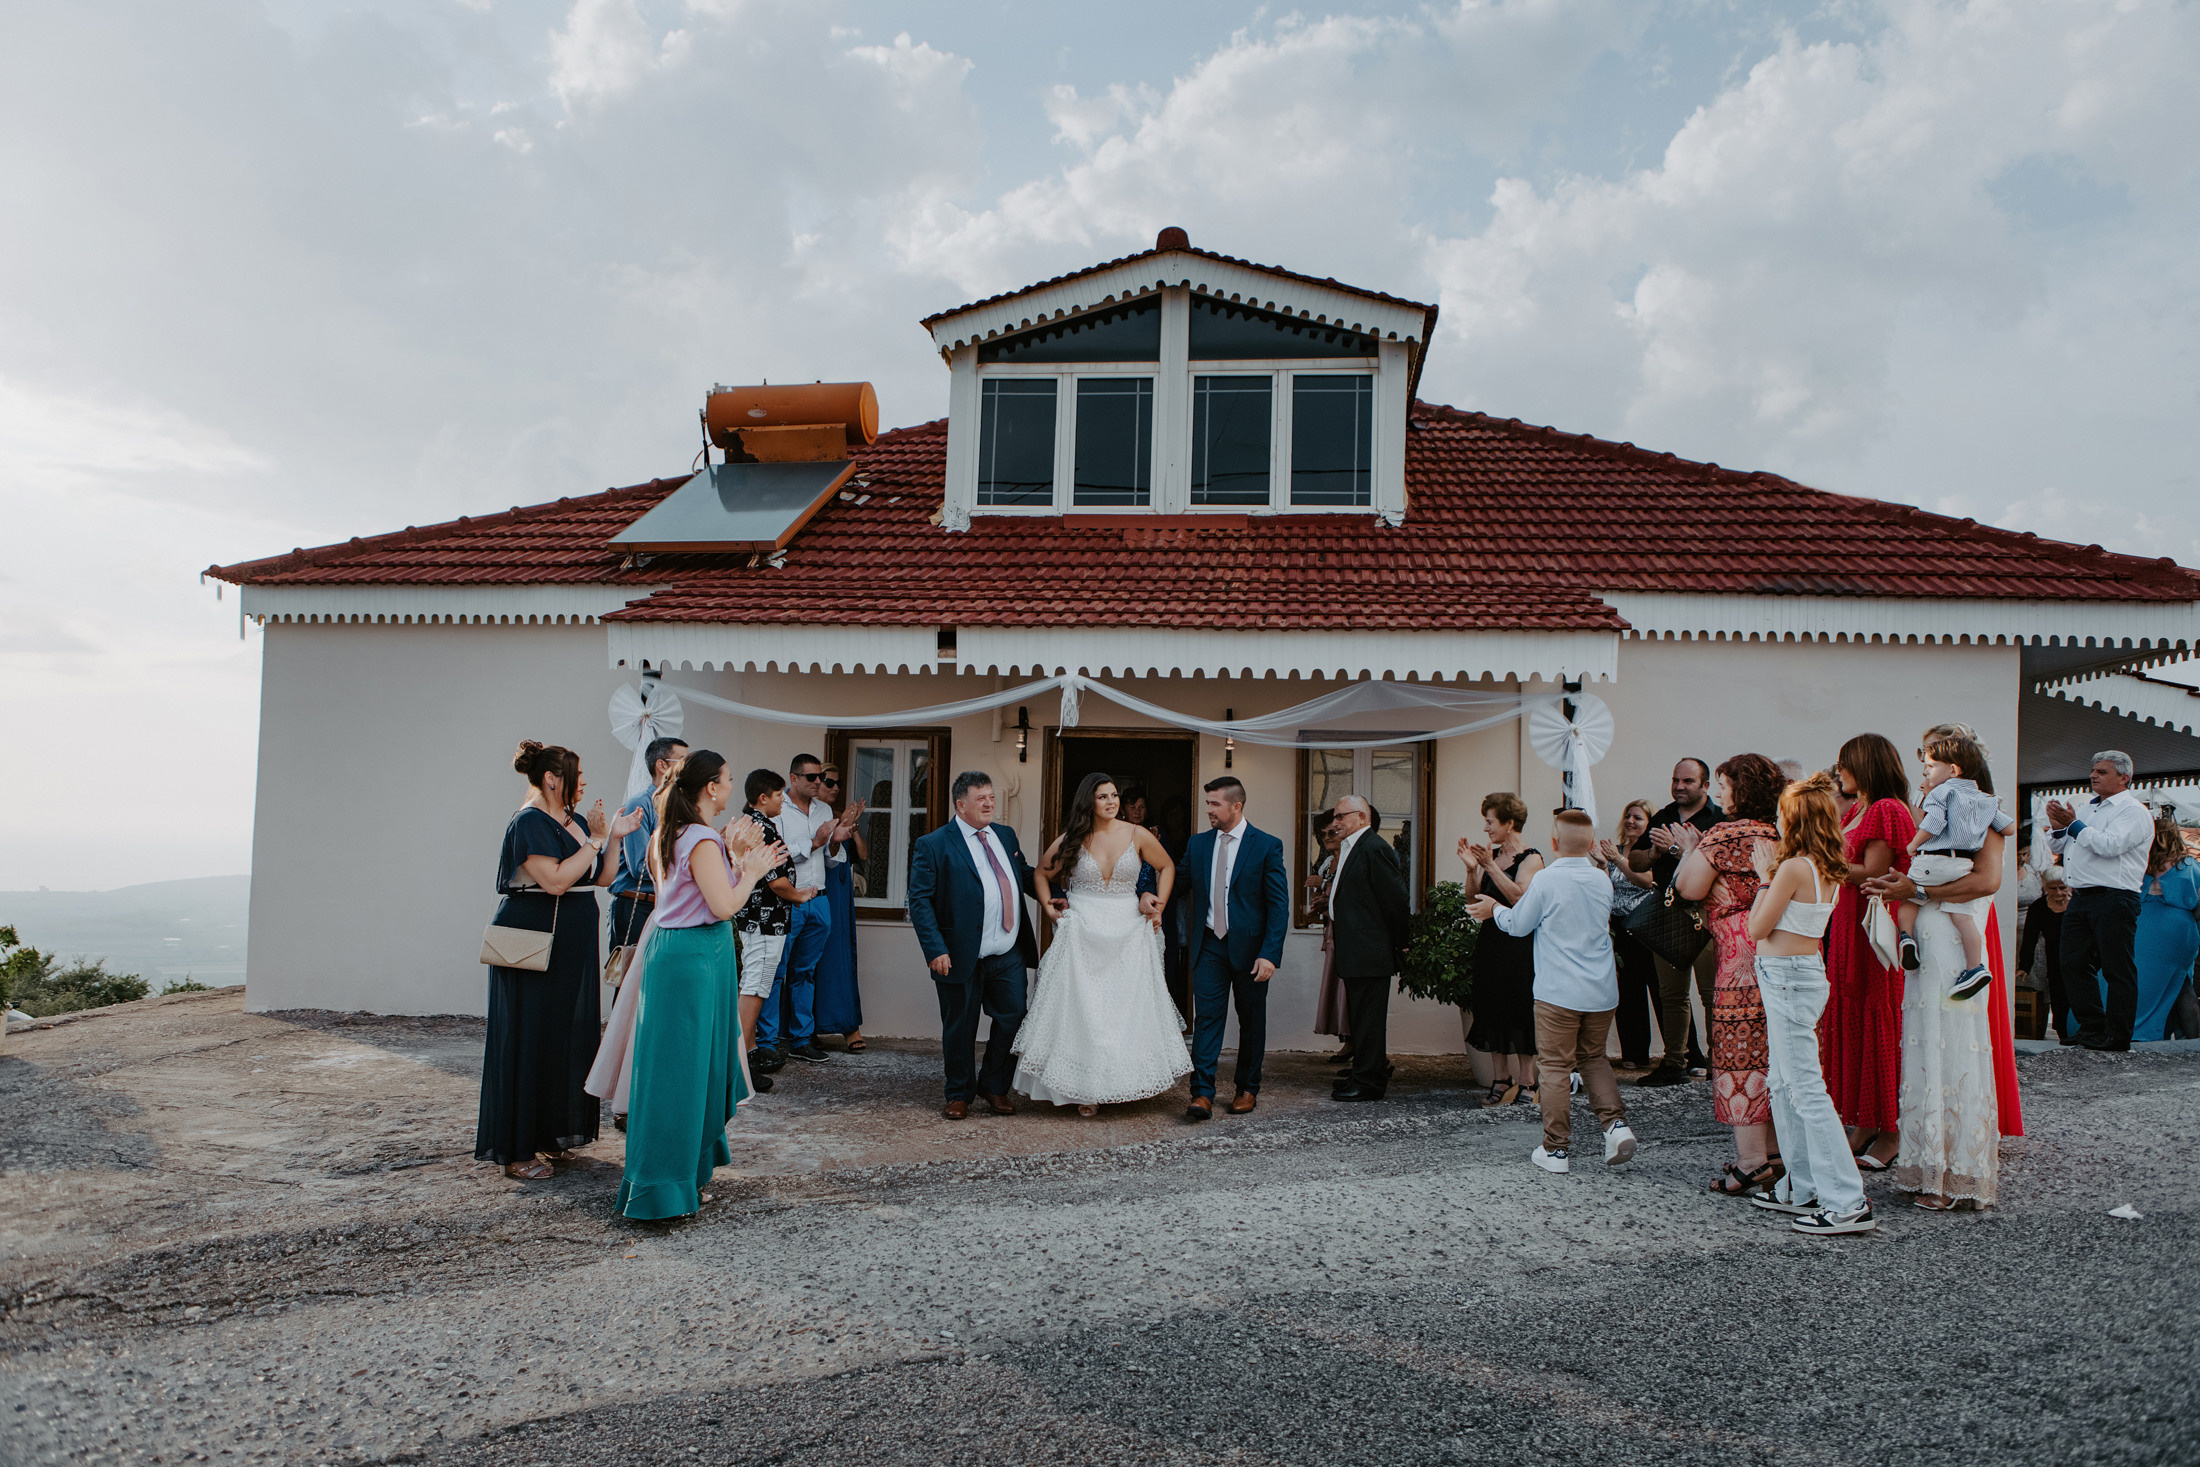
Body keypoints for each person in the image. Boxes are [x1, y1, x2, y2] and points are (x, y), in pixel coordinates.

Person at [615, 751, 783, 1221]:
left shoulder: (671, 834)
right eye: (728, 778)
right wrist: (751, 870)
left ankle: (682, 1178)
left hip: (686, 956)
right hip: (693, 961)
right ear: (711, 787)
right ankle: (662, 1188)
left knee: (687, 1071)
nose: (731, 785)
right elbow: (725, 905)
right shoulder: (700, 838)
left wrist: (735, 854)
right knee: (680, 1076)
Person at [476, 741, 643, 1181]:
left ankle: (549, 1135)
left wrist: (614, 839)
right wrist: (595, 839)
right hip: (533, 936)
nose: (584, 781)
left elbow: (602, 877)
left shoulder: (573, 821)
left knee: (562, 1036)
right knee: (528, 1036)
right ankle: (517, 1148)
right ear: (552, 778)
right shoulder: (529, 821)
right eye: (577, 773)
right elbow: (553, 881)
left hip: (571, 937)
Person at [1468, 808, 1636, 1174]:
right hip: (1602, 990)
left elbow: (1517, 925)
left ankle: (1556, 1150)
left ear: (1555, 843)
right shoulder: (1601, 879)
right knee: (1593, 1059)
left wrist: (1493, 908)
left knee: (1556, 1067)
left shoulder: (1546, 880)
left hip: (1559, 991)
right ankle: (1615, 1125)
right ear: (1592, 844)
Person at [1013, 773, 1191, 1115]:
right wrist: (1052, 911)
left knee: (1123, 1009)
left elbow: (1167, 866)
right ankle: (1085, 1090)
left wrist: (1159, 907)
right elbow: (1040, 874)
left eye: (1114, 796)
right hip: (1083, 928)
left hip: (1128, 930)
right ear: (1088, 802)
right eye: (1103, 797)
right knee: (1084, 1010)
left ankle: (1124, 1082)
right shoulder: (1074, 838)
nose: (1111, 802)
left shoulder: (1136, 834)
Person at [1744, 774, 1876, 1235]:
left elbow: (1757, 929)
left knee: (1803, 1088)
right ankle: (1801, 1187)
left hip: (1787, 979)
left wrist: (1763, 879)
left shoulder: (1794, 867)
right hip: (1796, 975)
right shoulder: (1826, 862)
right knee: (1784, 1084)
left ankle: (1847, 1199)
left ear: (1793, 818)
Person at [1865, 826, 2009, 1210]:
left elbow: (1987, 882)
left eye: (1932, 765)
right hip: (1926, 954)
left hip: (1956, 955)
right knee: (1924, 1048)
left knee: (1954, 1048)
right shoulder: (1930, 819)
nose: (1926, 775)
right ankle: (1927, 1166)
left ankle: (1955, 1174)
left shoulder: (1985, 824)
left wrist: (1915, 890)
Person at [1673, 753, 1784, 1198]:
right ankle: (1775, 1154)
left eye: (1724, 786)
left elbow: (1688, 888)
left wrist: (1688, 852)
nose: (1719, 794)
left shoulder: (1724, 835)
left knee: (1740, 1053)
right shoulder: (1782, 833)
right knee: (1775, 1054)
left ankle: (1752, 1162)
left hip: (1739, 960)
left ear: (1741, 790)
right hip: (1783, 955)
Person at [907, 771, 1043, 1120]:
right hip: (957, 955)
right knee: (960, 1027)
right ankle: (958, 1093)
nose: (989, 803)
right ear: (960, 804)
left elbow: (1023, 873)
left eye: (992, 797)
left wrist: (1053, 895)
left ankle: (993, 1086)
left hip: (1007, 951)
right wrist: (935, 948)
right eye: (981, 798)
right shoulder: (934, 844)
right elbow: (920, 900)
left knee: (1014, 1018)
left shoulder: (1005, 835)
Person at [1819, 732, 1913, 1171]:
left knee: (1879, 1021)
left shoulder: (1887, 809)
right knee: (1851, 1018)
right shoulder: (1857, 808)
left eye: (1845, 764)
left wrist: (1817, 863)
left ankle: (1891, 1129)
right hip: (1847, 924)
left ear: (1865, 764)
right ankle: (1863, 1121)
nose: (1840, 772)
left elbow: (1874, 871)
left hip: (1874, 925)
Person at [1179, 776, 1290, 1120]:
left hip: (1252, 950)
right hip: (1209, 944)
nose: (1208, 810)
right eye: (1208, 803)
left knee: (1251, 1021)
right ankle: (1202, 1094)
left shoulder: (1267, 845)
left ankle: (1246, 1089)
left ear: (1236, 806)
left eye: (1214, 804)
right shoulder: (1197, 845)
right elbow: (1177, 880)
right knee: (1207, 1018)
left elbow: (1278, 905)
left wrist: (1270, 953)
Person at [2046, 750, 2152, 1051]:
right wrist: (2058, 825)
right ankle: (2091, 1027)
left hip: (2115, 896)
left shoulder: (2133, 811)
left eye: (2102, 772)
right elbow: (2059, 844)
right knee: (2072, 962)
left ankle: (2118, 1035)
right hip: (2080, 895)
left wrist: (2074, 825)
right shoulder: (2086, 808)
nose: (2093, 776)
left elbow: (2111, 845)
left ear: (2124, 777)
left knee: (2116, 967)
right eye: (2093, 770)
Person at [1629, 759, 1725, 1086]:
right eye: (1675, 780)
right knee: (1671, 993)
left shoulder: (1720, 820)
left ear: (1705, 786)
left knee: (1711, 993)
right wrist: (1656, 855)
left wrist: (1679, 848)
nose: (1680, 786)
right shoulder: (1663, 816)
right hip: (1668, 913)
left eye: (1687, 781)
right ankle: (1674, 1064)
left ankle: (1718, 1063)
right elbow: (1636, 860)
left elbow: (1721, 866)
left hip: (1707, 913)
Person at [1897, 733, 2014, 998]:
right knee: (1963, 919)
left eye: (1930, 765)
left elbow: (1932, 824)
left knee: (1908, 899)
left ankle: (1905, 937)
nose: (1925, 772)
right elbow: (2009, 828)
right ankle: (1975, 967)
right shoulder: (1985, 801)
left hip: (1934, 864)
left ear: (1952, 769)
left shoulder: (1942, 795)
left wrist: (1914, 845)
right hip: (1960, 865)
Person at [1460, 792, 1544, 1107]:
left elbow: (1521, 898)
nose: (1486, 827)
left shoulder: (1531, 858)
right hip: (1491, 942)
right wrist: (1472, 870)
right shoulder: (1489, 856)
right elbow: (1472, 901)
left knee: (1519, 1007)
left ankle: (1527, 1081)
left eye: (1490, 821)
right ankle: (1500, 1078)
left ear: (1509, 823)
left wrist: (1490, 867)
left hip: (1520, 945)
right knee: (1492, 1006)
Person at [759, 753, 841, 1066]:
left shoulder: (825, 809)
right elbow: (774, 855)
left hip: (819, 899)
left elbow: (832, 860)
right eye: (811, 777)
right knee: (776, 972)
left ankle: (801, 1039)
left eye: (820, 777)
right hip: (787, 899)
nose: (819, 782)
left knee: (806, 973)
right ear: (794, 779)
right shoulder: (778, 810)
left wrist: (835, 841)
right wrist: (815, 841)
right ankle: (766, 1043)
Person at [1328, 796, 1411, 1102]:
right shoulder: (1355, 846)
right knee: (1360, 1019)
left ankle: (1370, 1083)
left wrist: (1401, 943)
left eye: (1341, 816)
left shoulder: (1374, 847)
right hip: (1357, 949)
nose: (1335, 822)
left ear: (1361, 817)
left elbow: (1396, 899)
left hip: (1370, 950)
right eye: (1335, 817)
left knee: (1369, 1021)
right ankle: (1362, 1072)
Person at [734, 769, 803, 1085]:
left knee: (757, 981)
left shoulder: (752, 823)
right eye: (779, 795)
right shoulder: (759, 829)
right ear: (763, 798)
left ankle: (749, 1053)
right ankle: (737, 1064)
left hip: (759, 918)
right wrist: (799, 895)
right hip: (763, 919)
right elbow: (775, 882)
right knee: (756, 984)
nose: (783, 800)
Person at [608, 737, 687, 952]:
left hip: (664, 904)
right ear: (662, 765)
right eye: (683, 760)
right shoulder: (640, 805)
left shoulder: (680, 807)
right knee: (628, 980)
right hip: (636, 905)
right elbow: (640, 867)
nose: (689, 767)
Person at [1598, 799, 1661, 1069]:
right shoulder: (1615, 850)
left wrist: (1617, 859)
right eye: (1628, 816)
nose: (1631, 821)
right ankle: (1634, 1054)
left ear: (1649, 824)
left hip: (1650, 927)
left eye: (1638, 817)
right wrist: (1602, 864)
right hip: (1621, 927)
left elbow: (1646, 880)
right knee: (1629, 992)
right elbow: (1605, 888)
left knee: (1662, 991)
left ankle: (1685, 1054)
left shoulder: (1653, 852)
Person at [810, 762, 868, 1052]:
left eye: (837, 783)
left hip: (841, 889)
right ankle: (809, 1027)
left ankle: (849, 1026)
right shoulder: (810, 817)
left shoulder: (837, 815)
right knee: (814, 959)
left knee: (843, 954)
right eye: (828, 783)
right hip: (820, 887)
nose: (834, 788)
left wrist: (850, 826)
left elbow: (862, 854)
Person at [2133, 809, 2200, 1042]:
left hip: (2144, 927)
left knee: (2142, 980)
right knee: (2181, 982)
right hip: (2180, 929)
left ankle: (2140, 1028)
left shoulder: (2140, 865)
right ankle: (2193, 1039)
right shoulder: (2189, 865)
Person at [1306, 813, 1350, 1063]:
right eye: (1322, 834)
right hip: (1332, 928)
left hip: (1347, 933)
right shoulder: (1329, 861)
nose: (1325, 839)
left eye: (1331, 833)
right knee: (1336, 987)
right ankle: (1347, 1040)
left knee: (1346, 988)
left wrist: (1323, 885)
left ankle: (1353, 1041)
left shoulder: (1346, 860)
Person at [2019, 871, 2073, 1042]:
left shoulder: (2078, 904)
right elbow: (2030, 938)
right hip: (2054, 956)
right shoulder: (2038, 907)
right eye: (2052, 888)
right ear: (2044, 887)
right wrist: (2024, 966)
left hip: (2080, 956)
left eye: (2062, 888)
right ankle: (2064, 1034)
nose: (2058, 893)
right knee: (2058, 995)